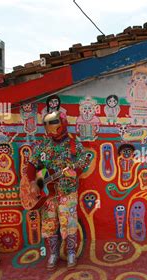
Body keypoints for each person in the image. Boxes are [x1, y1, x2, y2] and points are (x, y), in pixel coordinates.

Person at [29, 109, 90, 270]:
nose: (50, 127)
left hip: (67, 191)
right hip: (47, 194)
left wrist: (74, 171)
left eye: (54, 123)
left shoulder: (73, 143)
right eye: (47, 124)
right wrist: (33, 183)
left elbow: (83, 161)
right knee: (49, 224)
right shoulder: (43, 145)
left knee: (69, 222)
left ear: (62, 123)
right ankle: (53, 254)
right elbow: (32, 165)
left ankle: (70, 253)